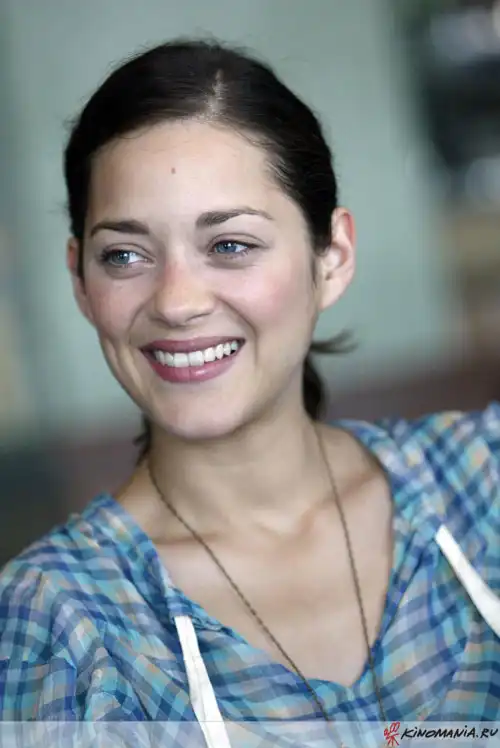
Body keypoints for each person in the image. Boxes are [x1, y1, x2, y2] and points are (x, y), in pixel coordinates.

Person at [0, 38, 499, 741]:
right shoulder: (56, 623)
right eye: (125, 255)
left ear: (333, 257)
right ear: (81, 281)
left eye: (229, 245)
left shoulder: (484, 480)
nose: (177, 302)